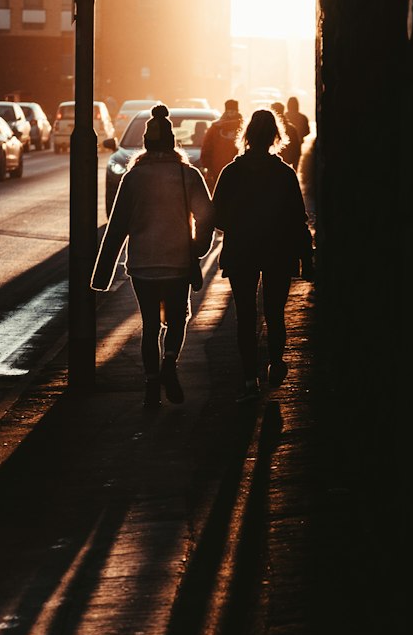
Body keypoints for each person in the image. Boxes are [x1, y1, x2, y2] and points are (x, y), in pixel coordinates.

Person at [91, 104, 215, 408]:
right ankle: (170, 363)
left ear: (146, 142)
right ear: (172, 142)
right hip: (177, 263)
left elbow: (117, 226)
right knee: (176, 320)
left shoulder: (132, 178)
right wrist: (197, 248)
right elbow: (207, 215)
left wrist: (102, 274)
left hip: (142, 264)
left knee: (149, 325)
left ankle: (151, 386)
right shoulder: (188, 174)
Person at [211, 108, 315, 400]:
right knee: (274, 313)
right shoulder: (284, 174)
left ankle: (248, 378)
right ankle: (275, 362)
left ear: (246, 136)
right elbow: (298, 218)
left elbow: (217, 216)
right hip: (277, 251)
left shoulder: (231, 172)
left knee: (244, 315)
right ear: (274, 137)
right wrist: (306, 257)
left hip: (241, 251)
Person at [197, 98, 243, 192]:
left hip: (217, 170)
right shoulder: (243, 127)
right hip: (238, 170)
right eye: (229, 111)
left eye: (232, 111)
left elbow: (206, 147)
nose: (231, 114)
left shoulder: (215, 127)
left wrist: (207, 165)